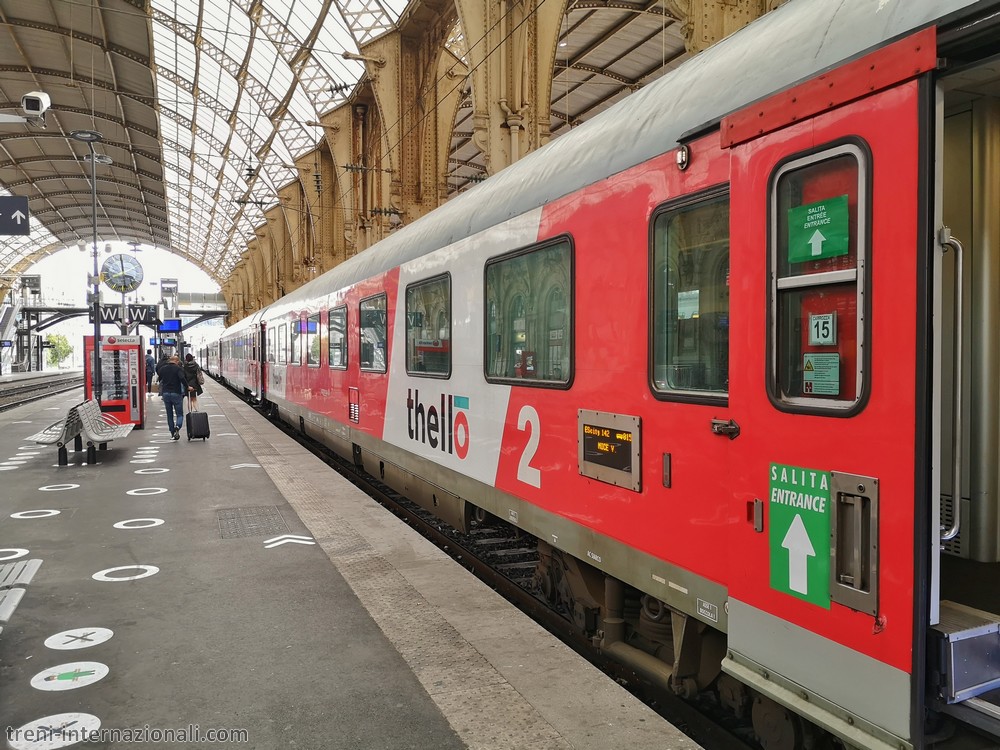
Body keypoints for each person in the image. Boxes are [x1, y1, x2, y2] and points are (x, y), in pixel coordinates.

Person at [156, 354, 186, 440]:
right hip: (176, 393)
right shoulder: (178, 369)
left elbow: (160, 379)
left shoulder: (163, 369)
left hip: (165, 394)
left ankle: (172, 433)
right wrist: (188, 387)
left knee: (169, 415)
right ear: (176, 361)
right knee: (179, 414)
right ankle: (178, 426)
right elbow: (182, 379)